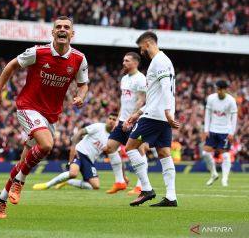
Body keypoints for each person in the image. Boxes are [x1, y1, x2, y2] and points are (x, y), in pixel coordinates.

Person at [0, 16, 89, 219]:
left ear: (72, 33)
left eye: (66, 27)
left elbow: (83, 83)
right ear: (52, 32)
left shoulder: (79, 59)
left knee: (24, 160)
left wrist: (81, 96)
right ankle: (20, 182)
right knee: (46, 145)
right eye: (58, 27)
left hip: (51, 115)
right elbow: (10, 66)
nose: (62, 30)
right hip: (28, 107)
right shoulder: (38, 52)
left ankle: (1, 198)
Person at [124, 31, 179, 207]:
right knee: (164, 153)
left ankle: (146, 189)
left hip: (156, 115)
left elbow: (165, 89)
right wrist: (138, 112)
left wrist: (168, 111)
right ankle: (171, 197)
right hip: (159, 114)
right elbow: (156, 95)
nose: (141, 51)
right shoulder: (163, 60)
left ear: (147, 43)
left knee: (130, 147)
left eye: (141, 47)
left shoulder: (159, 61)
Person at [32, 113, 118, 191]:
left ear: (116, 122)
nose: (111, 121)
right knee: (73, 173)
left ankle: (69, 182)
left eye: (114, 120)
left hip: (90, 160)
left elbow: (115, 153)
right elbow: (80, 132)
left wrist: (123, 176)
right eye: (110, 118)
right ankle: (47, 185)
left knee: (95, 186)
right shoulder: (98, 127)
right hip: (80, 152)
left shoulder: (113, 137)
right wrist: (73, 148)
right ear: (107, 119)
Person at [104, 52, 148, 195]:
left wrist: (131, 119)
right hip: (123, 120)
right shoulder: (124, 79)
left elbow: (142, 100)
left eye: (127, 61)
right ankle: (120, 182)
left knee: (139, 151)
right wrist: (119, 119)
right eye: (123, 60)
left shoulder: (140, 79)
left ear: (135, 63)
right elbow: (124, 101)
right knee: (110, 147)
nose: (124, 63)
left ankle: (141, 185)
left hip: (136, 120)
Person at [202, 80, 237, 187]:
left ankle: (224, 179)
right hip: (212, 130)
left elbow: (234, 116)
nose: (218, 91)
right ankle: (213, 174)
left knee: (225, 155)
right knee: (205, 153)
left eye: (220, 89)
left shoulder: (231, 100)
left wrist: (231, 132)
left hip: (225, 131)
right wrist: (206, 130)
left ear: (225, 89)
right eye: (217, 89)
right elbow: (208, 114)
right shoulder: (211, 98)